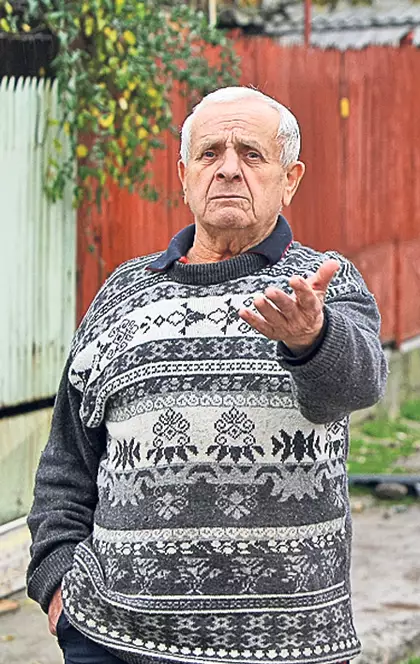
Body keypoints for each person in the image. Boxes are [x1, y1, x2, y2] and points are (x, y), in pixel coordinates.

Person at [25, 86, 389, 664]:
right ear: (184, 175)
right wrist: (56, 575)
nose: (227, 169)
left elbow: (358, 386)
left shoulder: (322, 284)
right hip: (112, 637)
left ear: (289, 179)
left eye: (251, 154)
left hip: (286, 647)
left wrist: (310, 339)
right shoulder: (122, 293)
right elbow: (68, 457)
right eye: (209, 153)